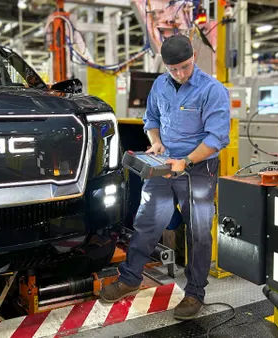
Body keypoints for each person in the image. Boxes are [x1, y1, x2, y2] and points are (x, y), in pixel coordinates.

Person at [99, 34, 231, 320]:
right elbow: (152, 120)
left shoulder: (212, 91)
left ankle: (195, 293)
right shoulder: (160, 84)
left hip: (197, 169)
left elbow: (217, 138)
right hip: (163, 165)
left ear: (194, 57)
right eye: (174, 69)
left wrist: (186, 161)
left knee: (197, 233)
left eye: (184, 66)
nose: (180, 74)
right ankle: (130, 279)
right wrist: (155, 141)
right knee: (146, 223)